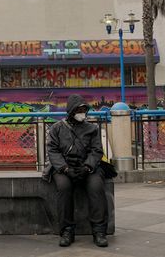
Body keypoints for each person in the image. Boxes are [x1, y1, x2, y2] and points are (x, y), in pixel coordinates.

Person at [44, 94, 108, 248]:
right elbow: (52, 150)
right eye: (79, 110)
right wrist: (65, 168)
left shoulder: (92, 129)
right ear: (71, 111)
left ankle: (99, 231)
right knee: (64, 187)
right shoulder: (57, 128)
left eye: (84, 110)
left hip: (86, 167)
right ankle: (67, 231)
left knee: (96, 187)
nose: (82, 113)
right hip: (64, 167)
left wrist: (87, 167)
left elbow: (97, 150)